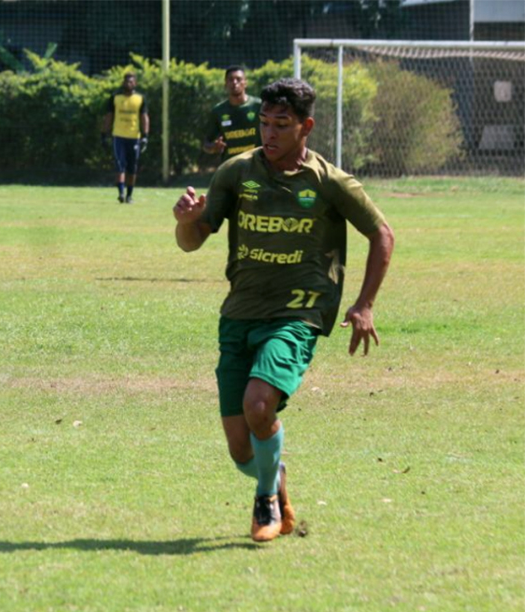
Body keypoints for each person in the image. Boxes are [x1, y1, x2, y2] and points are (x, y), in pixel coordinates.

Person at [172, 79, 394, 542]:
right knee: (240, 450)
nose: (268, 133)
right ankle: (277, 486)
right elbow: (194, 242)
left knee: (258, 406)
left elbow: (382, 234)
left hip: (298, 315)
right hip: (239, 314)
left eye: (281, 125)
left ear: (306, 127)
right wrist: (187, 223)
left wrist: (365, 304)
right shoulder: (236, 173)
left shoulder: (329, 182)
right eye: (264, 123)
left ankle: (265, 502)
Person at [101, 72, 149, 204]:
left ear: (135, 83)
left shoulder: (140, 98)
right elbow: (109, 116)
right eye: (126, 81)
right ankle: (121, 193)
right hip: (119, 136)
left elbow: (144, 118)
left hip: (134, 137)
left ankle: (129, 195)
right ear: (123, 82)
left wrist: (145, 136)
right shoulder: (115, 97)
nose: (128, 83)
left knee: (132, 167)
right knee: (120, 164)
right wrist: (104, 134)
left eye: (131, 81)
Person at [202, 65, 262, 162]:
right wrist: (213, 147)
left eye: (238, 79)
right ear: (225, 84)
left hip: (256, 164)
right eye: (231, 80)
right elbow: (206, 144)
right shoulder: (218, 111)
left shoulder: (259, 106)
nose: (235, 83)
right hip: (230, 166)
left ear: (245, 83)